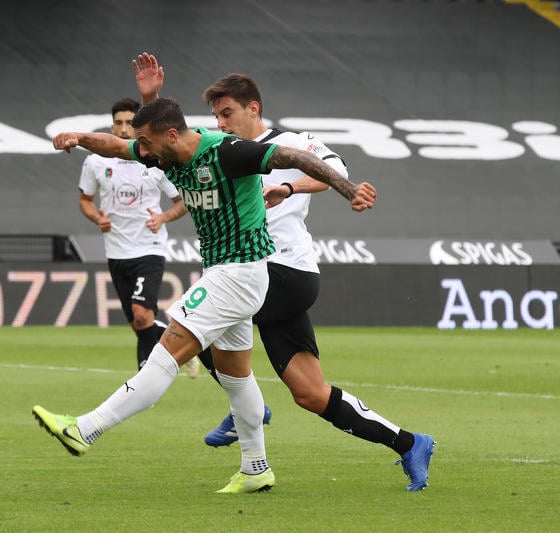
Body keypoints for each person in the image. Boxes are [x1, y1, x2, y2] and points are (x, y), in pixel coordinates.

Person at [33, 91, 376, 494]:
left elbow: (296, 158)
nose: (141, 152)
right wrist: (77, 136)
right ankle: (256, 469)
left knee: (165, 352)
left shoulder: (230, 152)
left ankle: (85, 429)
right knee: (236, 377)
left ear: (173, 135)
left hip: (240, 273)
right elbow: (114, 146)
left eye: (146, 143)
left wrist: (348, 189)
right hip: (227, 273)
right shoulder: (162, 153)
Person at [133, 52, 434, 491]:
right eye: (216, 115)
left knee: (194, 322)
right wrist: (152, 97)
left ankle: (247, 412)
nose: (221, 123)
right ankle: (410, 444)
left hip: (283, 268)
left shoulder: (289, 142)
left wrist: (290, 185)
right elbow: (167, 146)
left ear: (253, 108)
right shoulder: (222, 152)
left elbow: (337, 169)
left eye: (227, 113)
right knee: (311, 393)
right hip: (260, 279)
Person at [78, 97, 195, 375]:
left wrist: (163, 217)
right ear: (111, 126)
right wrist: (97, 217)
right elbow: (85, 200)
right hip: (116, 250)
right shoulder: (96, 161)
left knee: (143, 316)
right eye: (118, 123)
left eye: (129, 123)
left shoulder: (155, 161)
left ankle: (146, 376)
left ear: (139, 126)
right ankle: (181, 342)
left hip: (149, 247)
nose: (123, 129)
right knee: (137, 322)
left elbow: (183, 201)